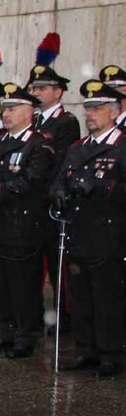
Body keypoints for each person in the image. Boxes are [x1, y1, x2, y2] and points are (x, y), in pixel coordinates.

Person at [0, 83, 53, 358]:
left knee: (23, 283)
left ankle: (26, 334)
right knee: (1, 282)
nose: (6, 114)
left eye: (13, 109)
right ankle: (4, 331)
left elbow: (29, 182)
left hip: (23, 225)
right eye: (5, 108)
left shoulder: (38, 144)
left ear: (28, 112)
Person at [50, 80, 126, 377]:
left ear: (115, 111)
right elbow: (60, 178)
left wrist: (102, 186)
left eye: (97, 109)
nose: (90, 114)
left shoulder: (121, 145)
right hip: (78, 231)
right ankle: (85, 350)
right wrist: (58, 192)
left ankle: (110, 353)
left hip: (109, 232)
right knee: (80, 296)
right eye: (88, 109)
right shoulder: (78, 147)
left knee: (106, 297)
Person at [28, 33, 79, 331]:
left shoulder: (65, 122)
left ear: (58, 92)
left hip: (48, 201)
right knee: (33, 265)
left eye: (43, 88)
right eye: (34, 87)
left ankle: (63, 315)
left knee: (57, 265)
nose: (37, 92)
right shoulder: (31, 120)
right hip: (29, 203)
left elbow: (59, 163)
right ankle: (34, 315)